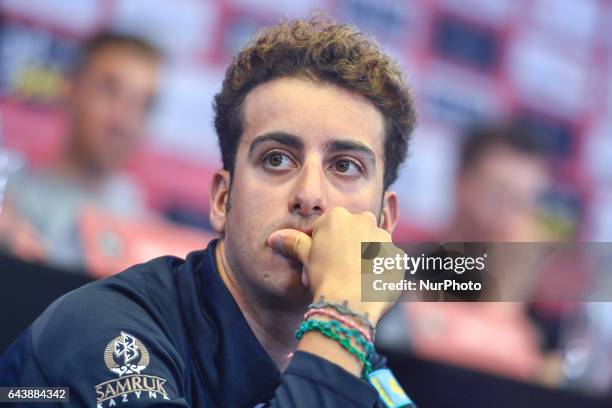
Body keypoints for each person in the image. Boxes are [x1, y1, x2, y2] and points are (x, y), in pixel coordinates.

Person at [0, 17, 418, 407]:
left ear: (383, 225)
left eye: (345, 166)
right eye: (277, 159)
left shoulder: (362, 370)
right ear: (222, 199)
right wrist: (340, 321)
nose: (309, 195)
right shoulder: (103, 330)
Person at [403, 123, 553, 381]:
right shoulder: (402, 269)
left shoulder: (543, 308)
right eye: (500, 196)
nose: (513, 219)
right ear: (461, 182)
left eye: (525, 202)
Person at [1, 32, 161, 270]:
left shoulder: (153, 244)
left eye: (143, 104)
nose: (125, 121)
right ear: (72, 89)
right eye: (110, 92)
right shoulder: (10, 204)